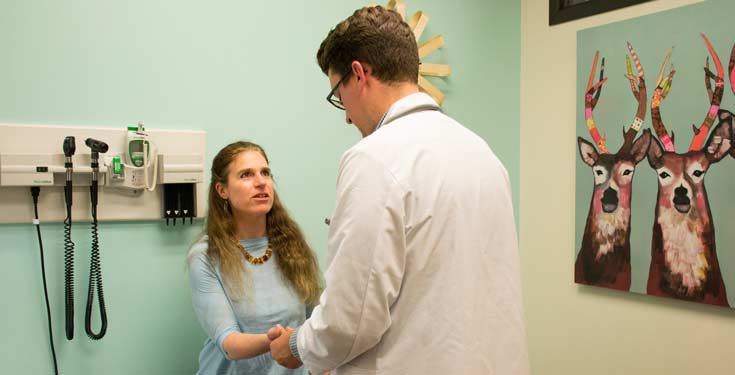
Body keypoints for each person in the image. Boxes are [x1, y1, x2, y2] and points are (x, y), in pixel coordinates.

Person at [269, 5, 530, 375]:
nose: (345, 114)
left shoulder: (373, 159)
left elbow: (351, 319)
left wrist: (297, 345)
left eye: (338, 96)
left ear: (359, 74)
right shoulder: (482, 153)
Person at [187, 141, 321, 375]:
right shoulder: (205, 256)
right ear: (222, 190)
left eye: (265, 173)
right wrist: (281, 341)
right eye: (246, 175)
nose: (261, 182)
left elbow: (316, 320)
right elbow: (229, 344)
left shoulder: (297, 245)